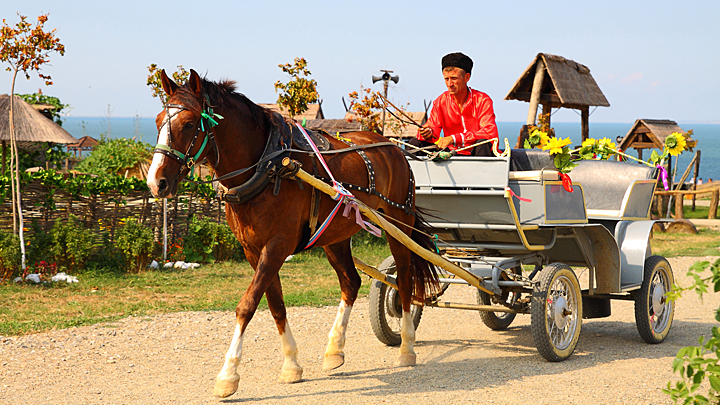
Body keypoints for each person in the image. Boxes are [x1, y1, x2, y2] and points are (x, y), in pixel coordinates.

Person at [410, 52, 499, 156]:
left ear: (466, 77)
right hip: (450, 152)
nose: (449, 84)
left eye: (454, 78)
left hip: (475, 153)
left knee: (483, 144)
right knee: (414, 143)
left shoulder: (482, 100)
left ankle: (482, 172)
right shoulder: (440, 101)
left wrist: (454, 138)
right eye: (446, 79)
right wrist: (427, 133)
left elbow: (489, 133)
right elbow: (433, 128)